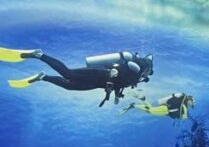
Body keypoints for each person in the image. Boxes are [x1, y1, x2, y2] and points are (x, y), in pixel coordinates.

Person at [1, 48, 153, 107]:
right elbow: (120, 67)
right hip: (99, 73)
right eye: (148, 73)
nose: (146, 76)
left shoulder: (136, 76)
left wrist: (116, 95)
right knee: (68, 73)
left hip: (98, 83)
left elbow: (119, 82)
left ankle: (43, 77)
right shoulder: (137, 67)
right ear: (147, 69)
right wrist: (115, 71)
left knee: (69, 85)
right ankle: (39, 55)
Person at [121, 92, 194, 120]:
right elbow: (184, 117)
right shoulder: (184, 107)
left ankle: (133, 106)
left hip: (165, 111)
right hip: (165, 110)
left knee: (149, 111)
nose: (191, 104)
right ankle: (143, 99)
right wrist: (186, 117)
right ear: (189, 100)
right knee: (151, 110)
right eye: (191, 102)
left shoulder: (183, 105)